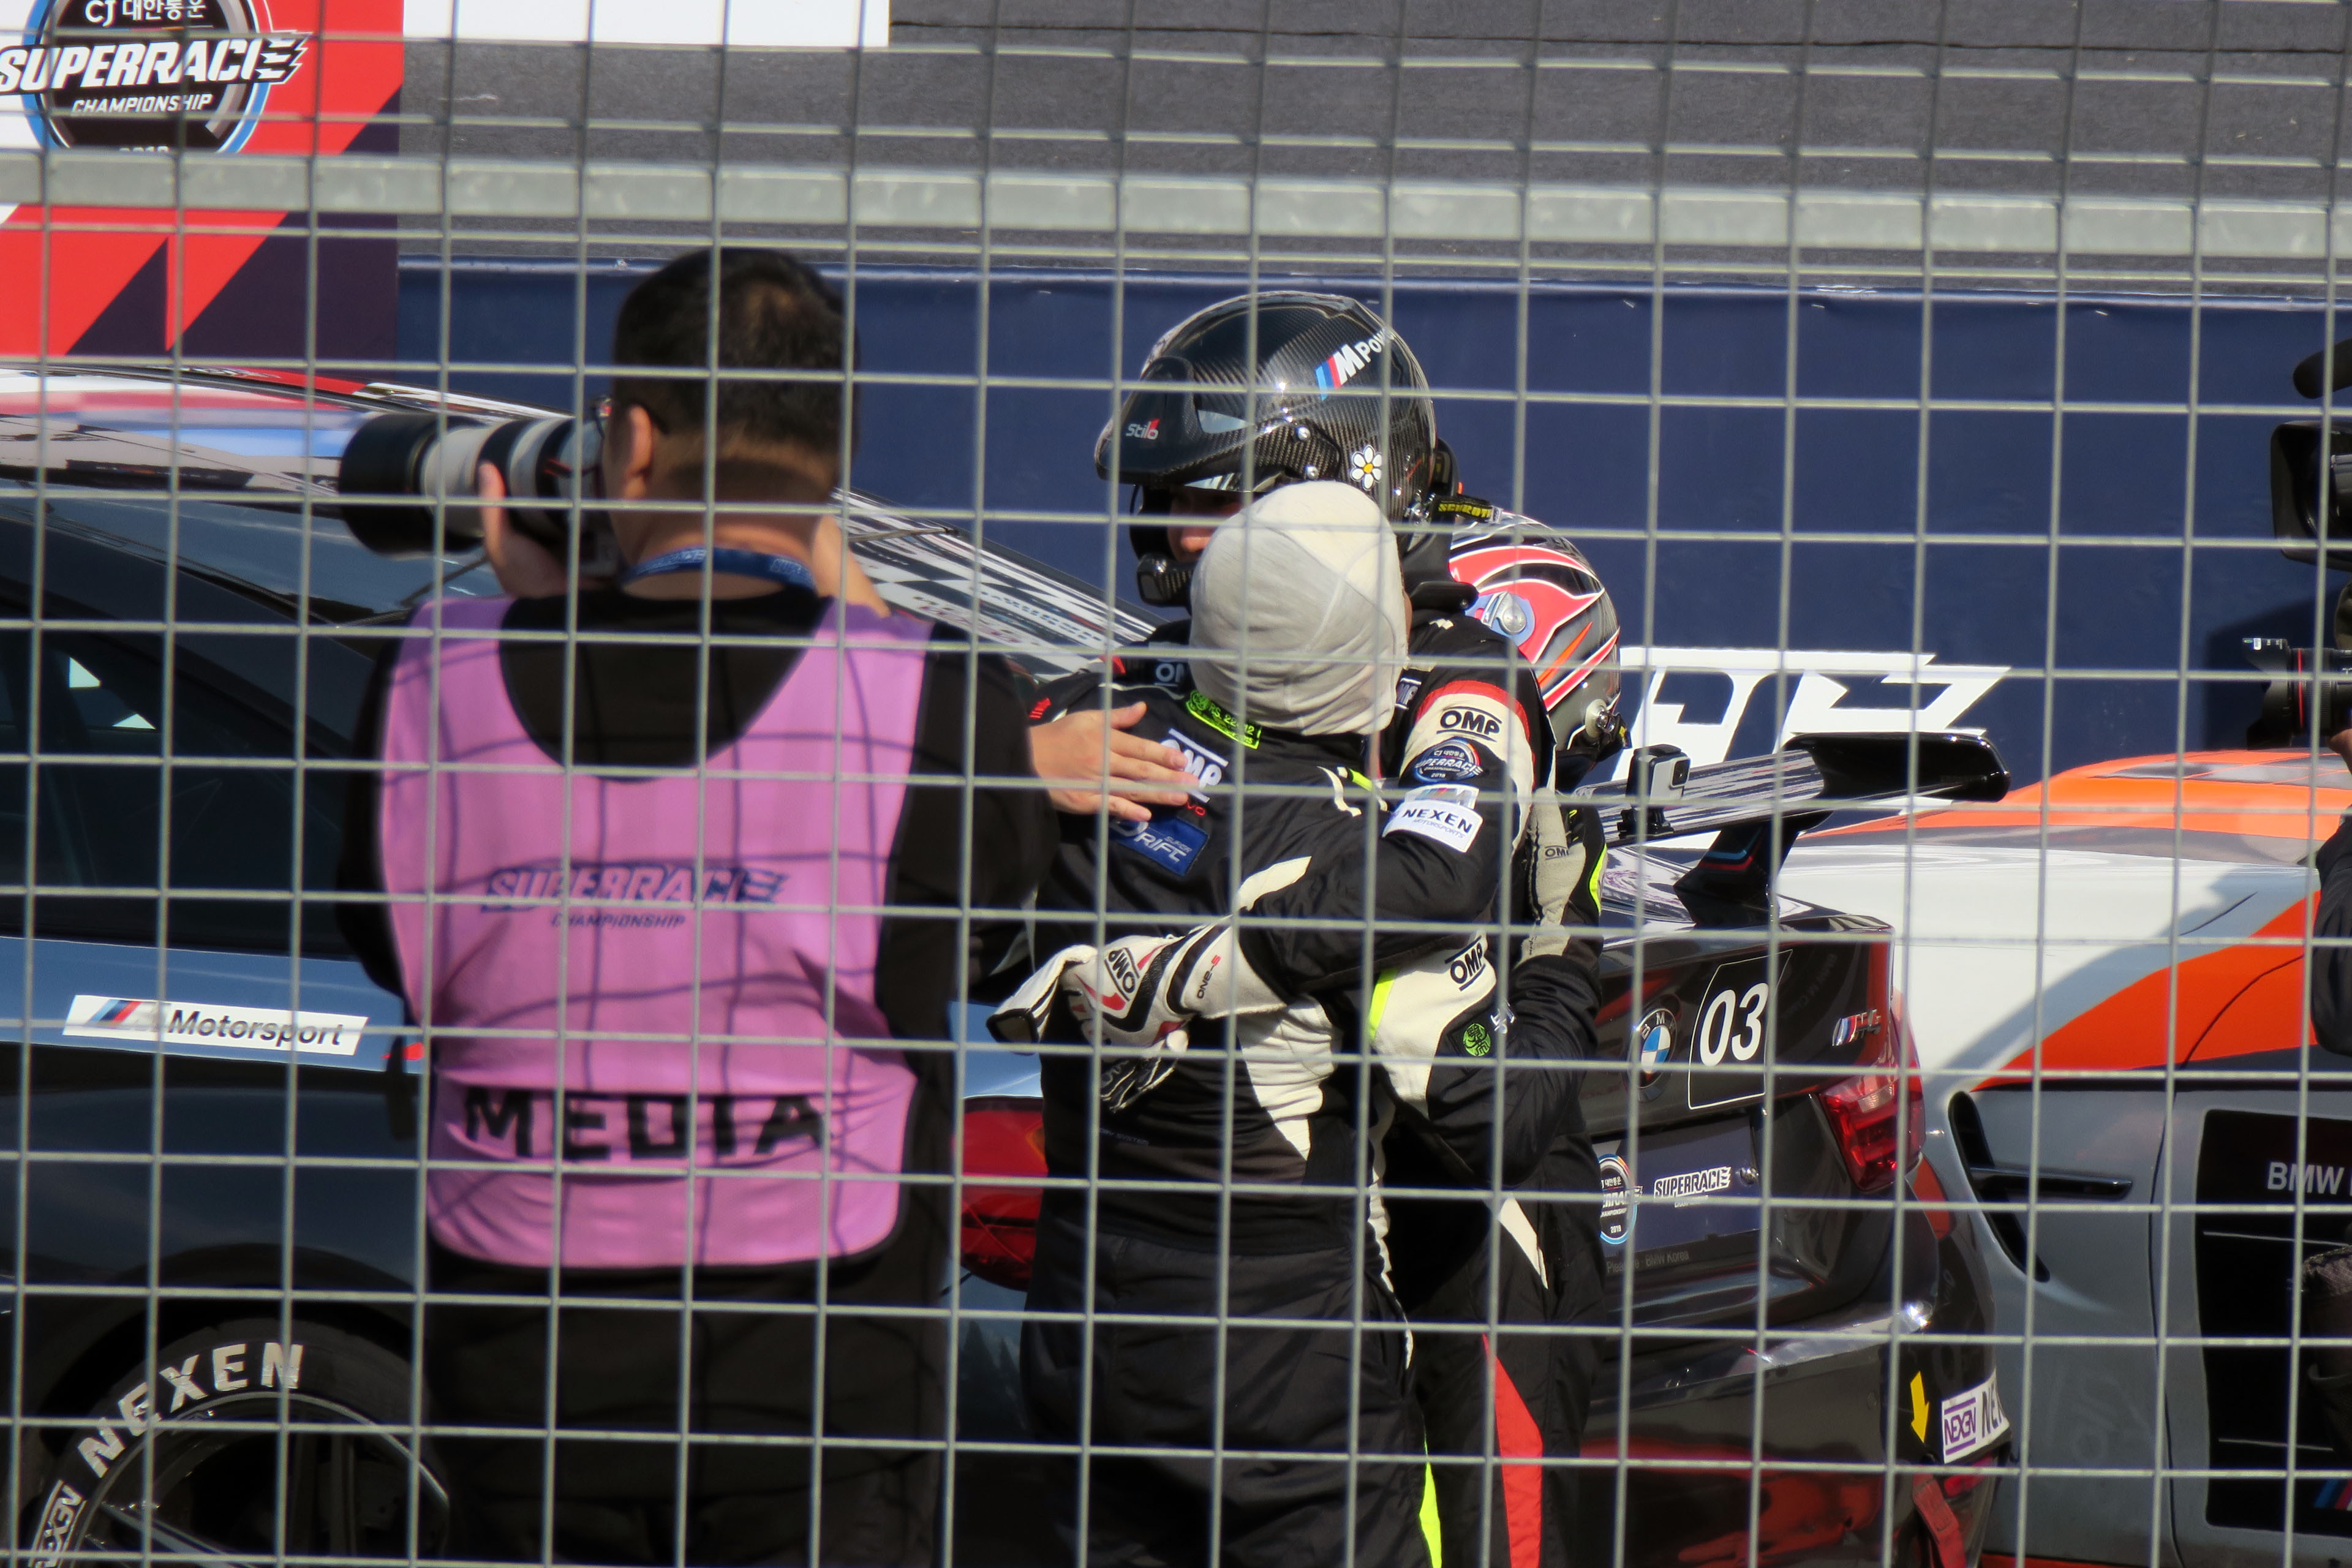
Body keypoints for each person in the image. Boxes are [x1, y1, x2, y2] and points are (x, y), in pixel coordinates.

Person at [337, 246, 1061, 1567]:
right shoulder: (932, 696)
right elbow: (987, 917)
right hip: (822, 1400)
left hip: (526, 1389)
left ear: (628, 442)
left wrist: (558, 617)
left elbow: (396, 941)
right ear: (835, 457)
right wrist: (831, 569)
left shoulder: (432, 680)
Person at [1077, 290, 1621, 1566]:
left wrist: (1558, 936)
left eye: (1205, 499)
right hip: (1275, 1242)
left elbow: (1448, 890)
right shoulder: (1184, 660)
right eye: (1163, 501)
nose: (1168, 536)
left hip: (1458, 1194)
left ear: (1341, 481)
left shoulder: (1467, 658)